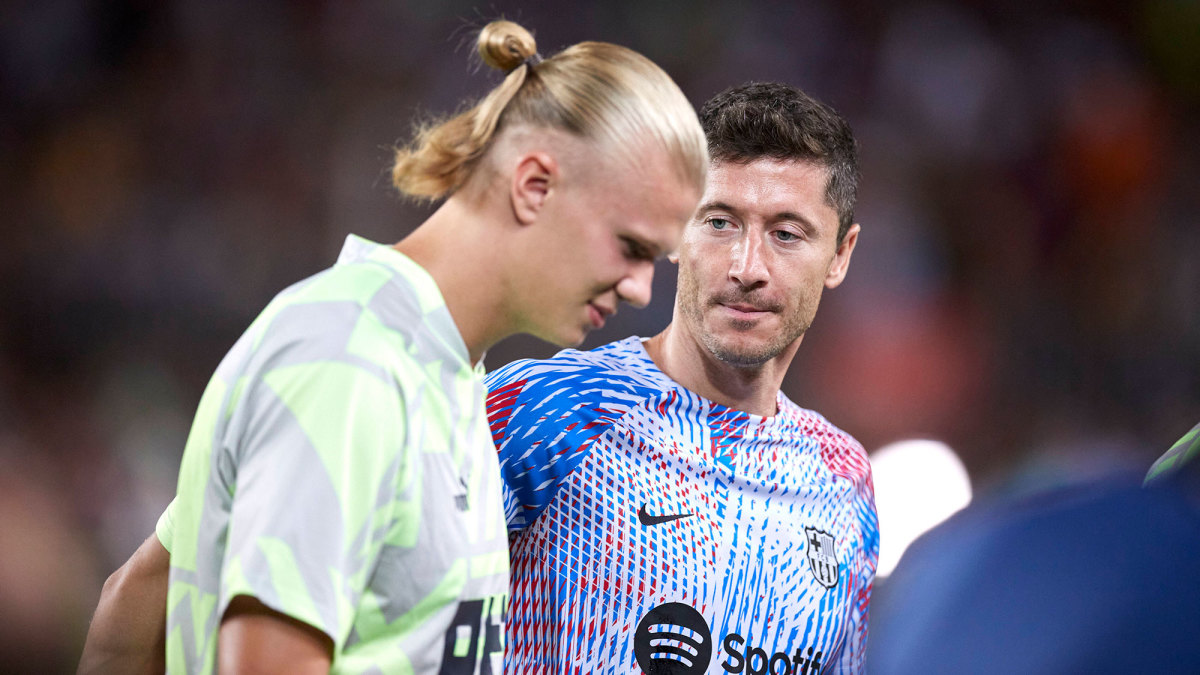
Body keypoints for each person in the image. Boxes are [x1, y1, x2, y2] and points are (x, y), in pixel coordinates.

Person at [77, 20, 706, 674]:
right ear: (534, 185)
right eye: (632, 247)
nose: (641, 289)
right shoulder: (347, 363)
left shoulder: (440, 374)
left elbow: (138, 598)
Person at [486, 81, 877, 673]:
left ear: (841, 255)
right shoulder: (544, 410)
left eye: (787, 233)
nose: (748, 268)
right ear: (674, 230)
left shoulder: (846, 482)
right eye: (720, 222)